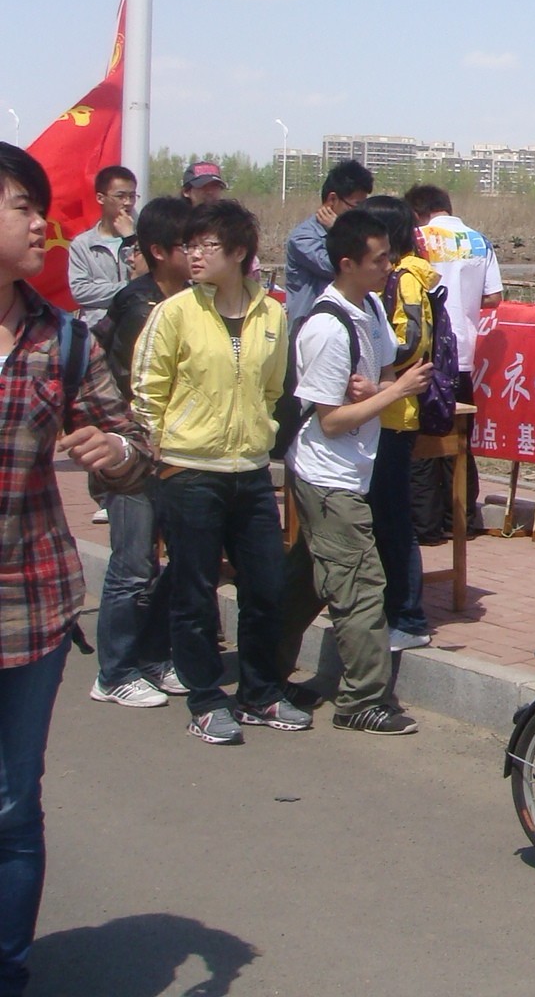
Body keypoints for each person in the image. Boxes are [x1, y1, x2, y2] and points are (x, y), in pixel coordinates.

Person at [0, 144, 151, 997]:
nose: (41, 224)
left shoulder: (62, 339)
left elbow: (133, 445)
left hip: (29, 607)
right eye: (22, 207)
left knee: (12, 806)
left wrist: (116, 453)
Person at [131, 198, 299, 743]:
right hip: (189, 470)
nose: (195, 255)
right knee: (195, 591)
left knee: (266, 587)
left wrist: (261, 434)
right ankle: (205, 699)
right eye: (191, 245)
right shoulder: (175, 311)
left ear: (240, 252)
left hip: (249, 469)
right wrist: (162, 452)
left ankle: (260, 693)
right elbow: (148, 388)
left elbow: (273, 388)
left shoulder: (272, 314)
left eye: (208, 245)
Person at [285, 208, 429, 735]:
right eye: (379, 260)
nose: (389, 268)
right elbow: (331, 421)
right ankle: (362, 700)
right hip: (328, 475)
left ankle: (264, 671)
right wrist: (394, 392)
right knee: (362, 586)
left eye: (390, 257)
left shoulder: (368, 306)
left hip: (353, 470)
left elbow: (382, 372)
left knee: (308, 581)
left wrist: (379, 387)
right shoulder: (327, 327)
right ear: (347, 263)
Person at [88, 195, 191, 708]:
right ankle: (114, 672)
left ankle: (152, 656)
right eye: (188, 245)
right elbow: (131, 390)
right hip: (132, 454)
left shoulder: (192, 300)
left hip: (177, 452)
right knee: (133, 565)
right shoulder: (140, 307)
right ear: (159, 251)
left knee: (181, 558)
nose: (198, 253)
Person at [405, 182, 503, 542]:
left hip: (424, 353)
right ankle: (461, 518)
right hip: (463, 354)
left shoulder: (416, 237)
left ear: (417, 212)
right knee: (460, 441)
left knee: (423, 441)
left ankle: (425, 525)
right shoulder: (479, 241)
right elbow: (494, 296)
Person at [362, 195, 434, 651]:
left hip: (393, 413)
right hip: (379, 410)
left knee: (393, 519)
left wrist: (375, 375)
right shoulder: (392, 277)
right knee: (381, 517)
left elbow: (411, 342)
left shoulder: (405, 277)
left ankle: (408, 617)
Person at [285, 161, 373, 326]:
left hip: (345, 324)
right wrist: (339, 230)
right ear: (332, 199)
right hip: (310, 327)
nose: (360, 214)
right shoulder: (303, 238)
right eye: (356, 207)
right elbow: (342, 268)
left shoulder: (352, 233)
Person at [66, 164, 137, 317]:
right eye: (120, 196)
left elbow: (150, 280)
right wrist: (128, 289)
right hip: (96, 327)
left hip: (134, 323)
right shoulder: (83, 244)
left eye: (132, 196)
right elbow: (81, 292)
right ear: (100, 198)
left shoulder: (141, 239)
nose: (128, 202)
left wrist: (130, 238)